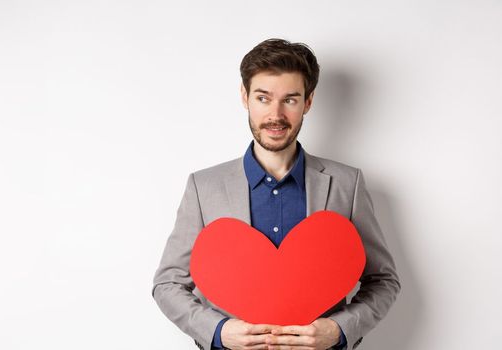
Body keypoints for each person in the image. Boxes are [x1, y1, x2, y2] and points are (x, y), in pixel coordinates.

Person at [151, 38, 400, 350]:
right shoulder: (204, 187)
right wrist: (218, 331)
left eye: (290, 100)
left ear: (308, 102)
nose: (276, 115)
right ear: (245, 97)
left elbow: (383, 281)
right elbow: (168, 283)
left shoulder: (346, 184)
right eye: (263, 98)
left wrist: (338, 330)